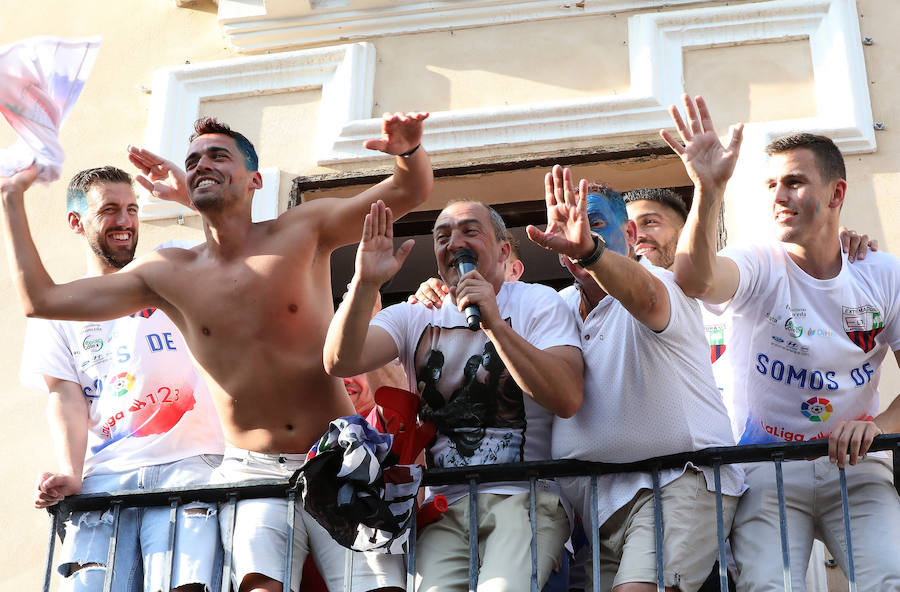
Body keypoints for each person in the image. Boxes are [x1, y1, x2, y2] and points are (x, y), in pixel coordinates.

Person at [1, 111, 433, 592]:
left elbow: (408, 192)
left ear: (255, 179)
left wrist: (409, 153)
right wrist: (10, 198)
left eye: (217, 155)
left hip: (335, 456)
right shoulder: (167, 271)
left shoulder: (303, 230)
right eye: (193, 160)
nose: (201, 163)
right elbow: (41, 301)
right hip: (251, 470)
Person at [665, 94, 900, 590]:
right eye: (771, 184)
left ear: (836, 195)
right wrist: (707, 190)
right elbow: (694, 280)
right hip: (763, 467)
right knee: (767, 586)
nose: (778, 195)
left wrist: (876, 427)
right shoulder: (758, 260)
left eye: (794, 182)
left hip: (855, 469)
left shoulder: (883, 273)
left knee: (891, 577)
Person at [323, 199, 584, 591]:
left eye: (469, 231)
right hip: (444, 510)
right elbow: (340, 359)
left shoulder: (537, 302)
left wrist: (494, 323)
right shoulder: (414, 315)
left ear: (503, 250)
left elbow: (567, 396)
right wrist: (365, 282)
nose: (453, 242)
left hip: (526, 499)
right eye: (442, 236)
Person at [526, 167, 744, 592]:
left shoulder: (661, 282)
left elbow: (643, 297)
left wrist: (589, 252)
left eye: (595, 224)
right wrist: (438, 293)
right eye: (566, 227)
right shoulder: (556, 306)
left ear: (628, 233)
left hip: (677, 483)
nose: (577, 235)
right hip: (598, 507)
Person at [20, 166, 224, 591]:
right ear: (76, 222)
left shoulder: (171, 265)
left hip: (187, 469)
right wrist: (69, 472)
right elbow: (66, 397)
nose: (125, 221)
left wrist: (189, 198)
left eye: (131, 209)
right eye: (110, 209)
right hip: (104, 482)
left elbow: (234, 251)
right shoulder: (61, 306)